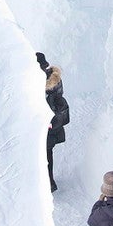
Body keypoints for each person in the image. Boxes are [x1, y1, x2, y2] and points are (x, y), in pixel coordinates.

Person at [37, 52, 69, 192]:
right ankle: (49, 183)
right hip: (50, 127)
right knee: (47, 156)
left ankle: (47, 185)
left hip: (46, 127)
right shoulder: (53, 79)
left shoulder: (44, 83)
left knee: (44, 156)